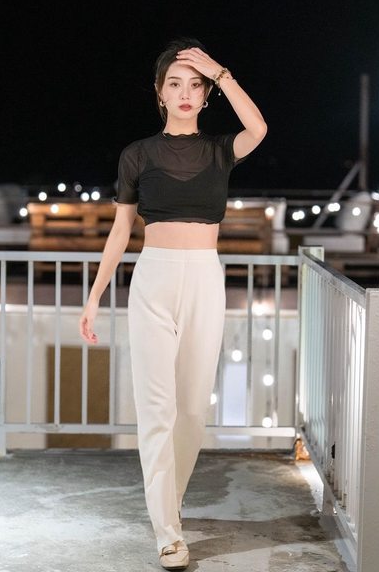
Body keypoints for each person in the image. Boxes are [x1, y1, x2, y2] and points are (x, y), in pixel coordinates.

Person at [79, 37, 266, 570]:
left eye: (195, 85)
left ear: (206, 96)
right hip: (154, 278)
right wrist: (94, 297)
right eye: (175, 84)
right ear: (159, 93)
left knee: (192, 409)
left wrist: (223, 72)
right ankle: (167, 531)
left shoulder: (220, 150)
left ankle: (171, 505)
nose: (185, 93)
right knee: (156, 407)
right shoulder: (137, 154)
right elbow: (120, 231)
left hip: (205, 277)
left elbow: (258, 129)